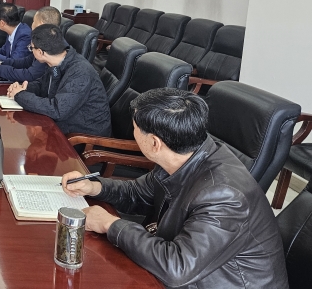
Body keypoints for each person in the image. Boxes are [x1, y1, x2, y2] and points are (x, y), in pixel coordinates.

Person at [61, 88, 288, 289]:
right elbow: (139, 193)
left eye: (135, 128)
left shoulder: (224, 195)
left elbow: (177, 268)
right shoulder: (184, 153)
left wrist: (110, 224)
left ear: (155, 143)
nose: (133, 132)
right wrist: (94, 187)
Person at [7, 24, 110, 136]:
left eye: (31, 48)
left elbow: (57, 110)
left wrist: (20, 95)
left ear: (41, 52)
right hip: (64, 126)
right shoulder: (57, 62)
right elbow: (43, 85)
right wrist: (24, 88)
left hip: (83, 137)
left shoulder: (80, 71)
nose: (31, 51)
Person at [0, 6, 61, 83]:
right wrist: (1, 62)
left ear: (40, 25)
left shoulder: (49, 48)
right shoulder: (45, 42)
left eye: (33, 21)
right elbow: (25, 62)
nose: (31, 25)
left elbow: (30, 75)